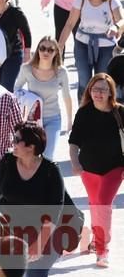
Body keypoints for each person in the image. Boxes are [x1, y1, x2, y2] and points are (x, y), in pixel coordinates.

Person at [0, 124, 65, 276]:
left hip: (43, 234)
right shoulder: (8, 161)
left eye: (17, 139)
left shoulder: (51, 171)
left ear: (31, 146)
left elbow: (55, 211)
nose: (12, 143)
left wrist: (39, 243)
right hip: (9, 233)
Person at [68, 74, 124, 268]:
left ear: (110, 92)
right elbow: (74, 142)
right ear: (89, 91)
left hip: (115, 168)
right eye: (95, 89)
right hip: (88, 169)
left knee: (103, 204)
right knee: (95, 203)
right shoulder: (84, 113)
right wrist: (75, 163)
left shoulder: (120, 112)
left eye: (103, 89)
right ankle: (96, 237)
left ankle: (102, 249)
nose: (98, 93)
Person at [57, 0, 124, 99]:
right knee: (84, 82)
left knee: (103, 82)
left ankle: (102, 114)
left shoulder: (111, 1)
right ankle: (83, 113)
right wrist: (60, 46)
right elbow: (69, 24)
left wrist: (115, 27)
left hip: (106, 46)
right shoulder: (81, 1)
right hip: (82, 45)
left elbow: (122, 20)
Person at [15, 36, 73, 159]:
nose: (46, 52)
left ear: (56, 52)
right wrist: (29, 98)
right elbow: (16, 89)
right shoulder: (27, 69)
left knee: (47, 156)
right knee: (30, 156)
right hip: (32, 120)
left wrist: (69, 122)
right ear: (38, 50)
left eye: (50, 50)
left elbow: (67, 97)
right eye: (42, 48)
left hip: (53, 119)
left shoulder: (61, 72)